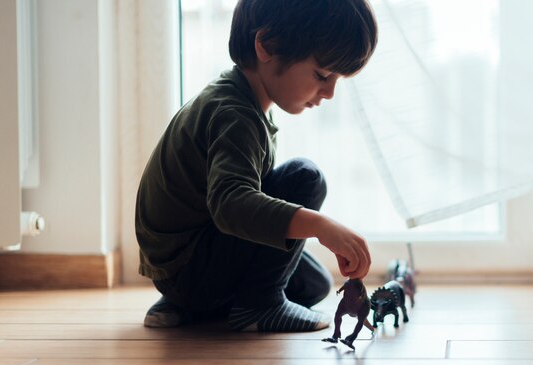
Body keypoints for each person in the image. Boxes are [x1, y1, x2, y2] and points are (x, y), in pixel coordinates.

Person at [135, 0, 378, 332]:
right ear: (267, 46)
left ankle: (192, 308)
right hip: (190, 267)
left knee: (314, 284)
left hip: (184, 268)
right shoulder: (234, 115)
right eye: (322, 74)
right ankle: (257, 306)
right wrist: (321, 226)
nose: (330, 92)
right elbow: (232, 205)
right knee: (305, 178)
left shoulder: (238, 99)